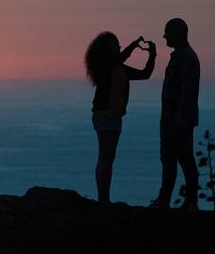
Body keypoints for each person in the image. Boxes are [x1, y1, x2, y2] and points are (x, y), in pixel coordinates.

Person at [85, 32, 156, 204]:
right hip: (105, 114)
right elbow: (119, 59)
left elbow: (145, 74)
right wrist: (133, 45)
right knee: (106, 158)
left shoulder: (119, 68)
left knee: (106, 158)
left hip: (114, 116)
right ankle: (104, 199)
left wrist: (152, 55)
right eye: (115, 45)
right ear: (106, 50)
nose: (119, 47)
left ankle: (103, 198)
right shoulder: (104, 66)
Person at [149, 18, 200, 210]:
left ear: (178, 33)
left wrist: (179, 121)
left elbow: (187, 92)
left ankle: (190, 201)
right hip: (170, 119)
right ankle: (164, 200)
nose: (164, 36)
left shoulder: (187, 57)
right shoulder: (180, 56)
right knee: (169, 159)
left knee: (185, 158)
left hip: (179, 120)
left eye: (167, 32)